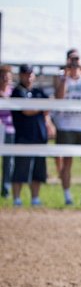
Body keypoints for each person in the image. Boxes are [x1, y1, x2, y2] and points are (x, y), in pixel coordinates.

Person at [54, 48, 81, 205]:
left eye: (76, 59)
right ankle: (67, 197)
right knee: (66, 163)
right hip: (65, 126)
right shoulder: (61, 76)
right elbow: (58, 97)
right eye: (71, 59)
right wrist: (66, 77)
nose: (74, 62)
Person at [10, 65, 54, 206]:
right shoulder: (17, 92)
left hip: (39, 134)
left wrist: (48, 123)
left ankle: (35, 198)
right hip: (24, 135)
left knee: (38, 169)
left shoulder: (38, 92)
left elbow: (49, 105)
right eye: (25, 74)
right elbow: (27, 111)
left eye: (30, 74)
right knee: (21, 168)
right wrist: (42, 106)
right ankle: (16, 198)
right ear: (21, 75)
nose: (28, 77)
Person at [0, 65, 15, 198]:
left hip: (10, 130)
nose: (5, 79)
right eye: (3, 76)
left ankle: (6, 190)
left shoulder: (13, 93)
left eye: (7, 76)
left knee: (9, 161)